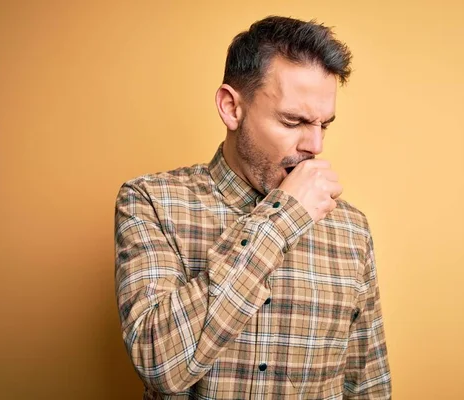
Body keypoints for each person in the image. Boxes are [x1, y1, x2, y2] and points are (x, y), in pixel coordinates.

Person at [114, 15, 392, 399]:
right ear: (231, 108)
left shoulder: (351, 230)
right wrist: (282, 219)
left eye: (324, 124)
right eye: (293, 121)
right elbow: (161, 365)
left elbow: (367, 384)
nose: (315, 145)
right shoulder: (151, 202)